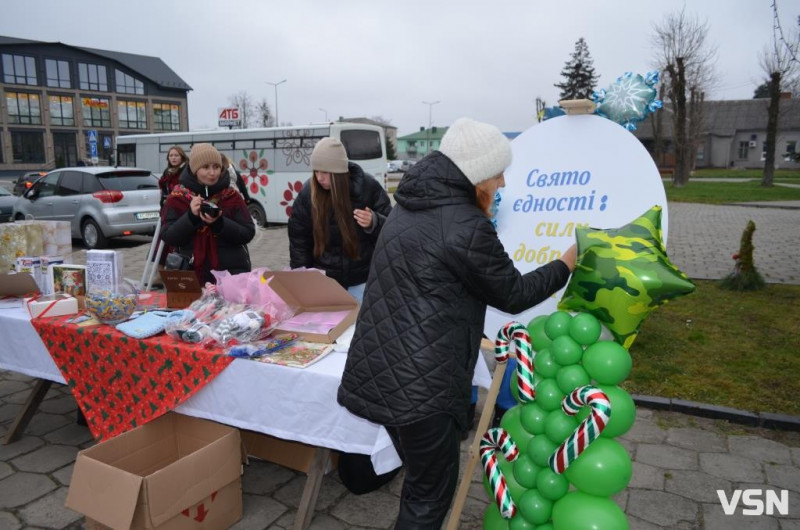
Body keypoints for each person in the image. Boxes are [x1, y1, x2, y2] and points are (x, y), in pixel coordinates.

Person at [337, 118, 577, 529]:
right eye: (498, 172)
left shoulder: (409, 207)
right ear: (476, 174)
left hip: (381, 375)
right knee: (428, 500)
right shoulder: (464, 225)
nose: (502, 181)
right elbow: (512, 294)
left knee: (419, 481)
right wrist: (565, 263)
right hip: (422, 390)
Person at [288, 137, 392, 301]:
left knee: (360, 325)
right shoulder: (308, 193)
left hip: (362, 280)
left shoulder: (368, 187)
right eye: (316, 171)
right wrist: (301, 279)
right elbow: (299, 241)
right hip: (325, 283)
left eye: (324, 172)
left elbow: (393, 229)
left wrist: (375, 222)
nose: (319, 178)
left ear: (338, 172)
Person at [160, 143, 255, 285]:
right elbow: (169, 237)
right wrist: (191, 216)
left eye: (216, 167)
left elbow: (248, 233)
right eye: (205, 167)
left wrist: (219, 223)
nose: (212, 173)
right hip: (191, 277)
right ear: (194, 169)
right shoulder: (177, 198)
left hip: (231, 276)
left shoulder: (232, 196)